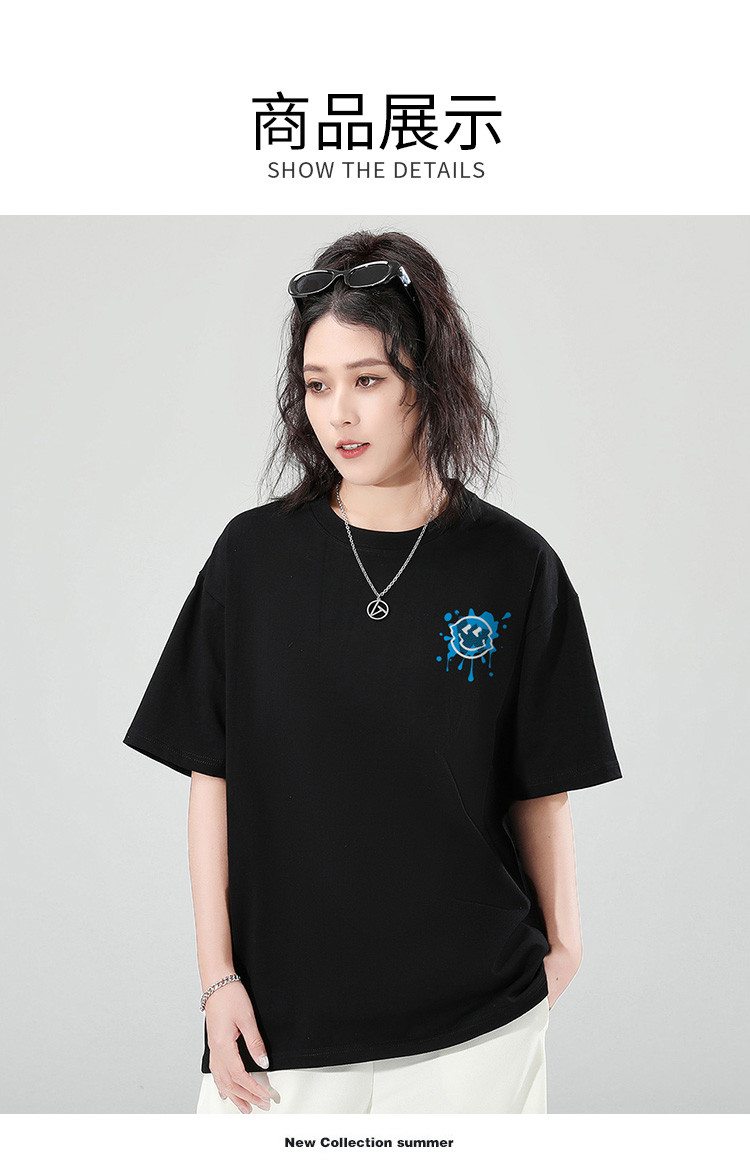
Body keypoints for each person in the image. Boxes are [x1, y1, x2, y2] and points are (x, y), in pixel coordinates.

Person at [123, 229, 623, 1115]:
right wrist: (216, 980)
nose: (339, 415)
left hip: (477, 1024)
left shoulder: (515, 566)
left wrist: (566, 950)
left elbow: (540, 788)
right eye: (317, 385)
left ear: (429, 381)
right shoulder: (252, 558)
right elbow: (211, 777)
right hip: (279, 1025)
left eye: (369, 381)